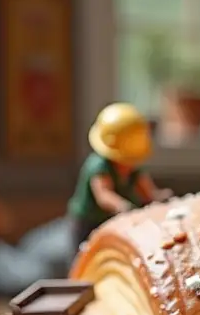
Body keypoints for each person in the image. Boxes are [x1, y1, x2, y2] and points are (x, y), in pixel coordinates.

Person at [67, 103, 172, 251]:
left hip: (114, 222)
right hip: (89, 223)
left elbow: (145, 188)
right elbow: (104, 195)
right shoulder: (99, 166)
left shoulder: (133, 169)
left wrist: (158, 198)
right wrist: (122, 206)